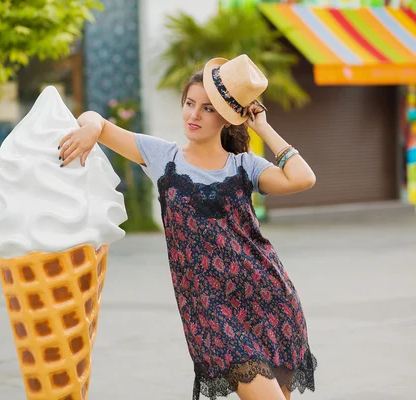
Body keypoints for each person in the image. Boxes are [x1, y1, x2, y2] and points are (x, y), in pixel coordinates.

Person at [58, 54, 317, 400]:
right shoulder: (164, 158)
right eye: (190, 104)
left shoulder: (245, 166)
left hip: (267, 296)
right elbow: (97, 122)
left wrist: (261, 126)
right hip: (210, 310)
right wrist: (90, 126)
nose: (193, 115)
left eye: (207, 109)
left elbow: (303, 178)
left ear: (226, 118)